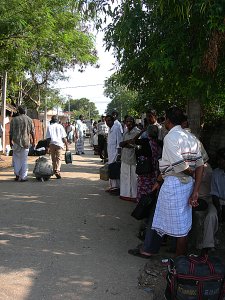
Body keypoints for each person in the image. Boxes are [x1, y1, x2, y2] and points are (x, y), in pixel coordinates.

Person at [129, 107, 204, 258]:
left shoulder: (171, 137)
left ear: (168, 121)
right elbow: (200, 165)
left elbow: (180, 166)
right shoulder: (191, 137)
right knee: (181, 224)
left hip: (174, 185)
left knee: (159, 217)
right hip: (187, 184)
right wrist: (195, 188)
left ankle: (159, 254)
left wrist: (190, 173)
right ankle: (178, 262)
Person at [9, 106, 35, 182]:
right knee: (24, 160)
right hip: (26, 142)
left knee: (16, 159)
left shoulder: (14, 120)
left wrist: (10, 141)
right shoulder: (29, 120)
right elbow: (32, 132)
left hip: (16, 142)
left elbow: (11, 132)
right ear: (25, 111)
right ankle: (23, 177)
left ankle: (17, 175)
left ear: (19, 111)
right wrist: (34, 141)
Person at [119, 116, 140, 202]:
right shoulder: (125, 132)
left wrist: (126, 144)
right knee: (125, 176)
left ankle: (134, 195)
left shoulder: (137, 132)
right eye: (127, 121)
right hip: (125, 157)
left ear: (133, 122)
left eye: (130, 121)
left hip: (133, 158)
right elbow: (121, 144)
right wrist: (127, 142)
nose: (128, 123)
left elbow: (136, 146)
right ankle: (125, 194)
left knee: (134, 177)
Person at [105, 115, 123, 193]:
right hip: (110, 153)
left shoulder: (116, 129)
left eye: (109, 120)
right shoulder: (110, 129)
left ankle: (116, 188)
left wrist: (119, 154)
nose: (107, 122)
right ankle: (112, 187)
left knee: (115, 170)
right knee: (111, 170)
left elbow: (119, 142)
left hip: (115, 153)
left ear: (112, 121)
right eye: (106, 121)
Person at [211, 148, 225, 223]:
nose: (218, 162)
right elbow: (214, 193)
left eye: (220, 160)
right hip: (220, 202)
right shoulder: (215, 173)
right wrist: (218, 210)